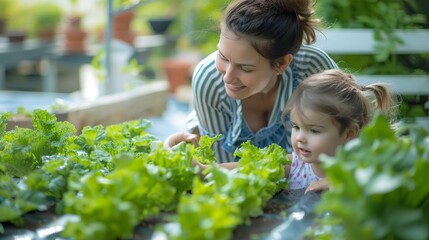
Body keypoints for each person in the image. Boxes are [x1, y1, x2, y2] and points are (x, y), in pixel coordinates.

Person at [165, 0, 339, 163]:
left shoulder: (312, 69)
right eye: (223, 57)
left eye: (245, 68)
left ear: (281, 63)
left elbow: (352, 131)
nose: (227, 77)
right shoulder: (209, 79)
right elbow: (217, 170)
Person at [193, 69, 399, 195]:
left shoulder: (361, 168)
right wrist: (206, 170)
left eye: (314, 131)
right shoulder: (295, 165)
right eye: (296, 127)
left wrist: (338, 181)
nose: (300, 137)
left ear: (349, 133)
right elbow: (249, 168)